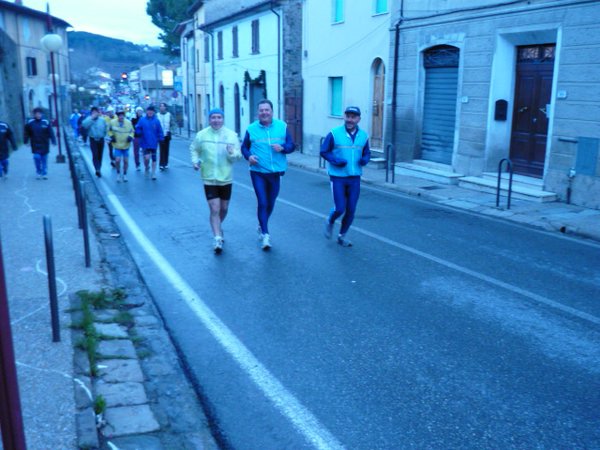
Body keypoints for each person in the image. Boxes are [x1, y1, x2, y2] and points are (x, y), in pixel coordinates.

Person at [241, 99, 295, 250]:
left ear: (272, 111)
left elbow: (292, 146)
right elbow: (244, 147)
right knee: (263, 202)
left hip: (275, 172)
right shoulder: (251, 129)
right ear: (258, 113)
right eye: (261, 110)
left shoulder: (282, 126)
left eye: (267, 110)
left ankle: (261, 224)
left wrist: (283, 148)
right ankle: (265, 235)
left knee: (271, 203)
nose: (264, 112)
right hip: (258, 171)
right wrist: (249, 157)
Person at [190, 108, 241, 254]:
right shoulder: (202, 135)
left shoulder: (231, 135)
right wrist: (195, 161)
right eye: (213, 117)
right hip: (209, 178)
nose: (216, 120)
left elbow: (238, 156)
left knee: (224, 208)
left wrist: (232, 153)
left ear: (223, 119)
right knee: (214, 209)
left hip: (226, 178)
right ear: (209, 119)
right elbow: (194, 149)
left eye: (219, 117)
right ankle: (217, 238)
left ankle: (218, 226)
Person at [320, 106, 371, 247]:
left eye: (353, 117)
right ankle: (330, 220)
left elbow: (367, 152)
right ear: (344, 117)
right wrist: (335, 160)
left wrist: (365, 159)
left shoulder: (364, 136)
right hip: (338, 177)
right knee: (340, 208)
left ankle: (342, 236)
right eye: (348, 116)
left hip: (355, 178)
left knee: (351, 210)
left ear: (358, 119)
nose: (350, 120)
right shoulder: (334, 133)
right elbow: (324, 151)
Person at [23, 107, 56, 180]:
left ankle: (44, 173)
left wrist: (53, 141)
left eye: (39, 114)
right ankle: (38, 171)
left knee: (44, 159)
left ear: (41, 114)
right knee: (36, 157)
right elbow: (26, 133)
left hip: (45, 144)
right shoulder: (30, 123)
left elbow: (51, 132)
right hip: (35, 144)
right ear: (34, 115)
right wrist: (26, 141)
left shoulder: (46, 122)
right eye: (36, 114)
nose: (38, 115)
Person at [135, 105, 164, 180]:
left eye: (152, 111)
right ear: (147, 111)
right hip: (145, 142)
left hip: (154, 143)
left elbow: (160, 131)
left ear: (153, 112)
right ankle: (147, 166)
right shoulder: (142, 120)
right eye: (149, 111)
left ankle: (153, 173)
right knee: (147, 158)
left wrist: (161, 138)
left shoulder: (156, 121)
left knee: (154, 159)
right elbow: (137, 127)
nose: (150, 112)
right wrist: (138, 132)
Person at [108, 107, 134, 182]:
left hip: (126, 145)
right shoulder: (112, 122)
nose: (121, 117)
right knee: (117, 160)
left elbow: (132, 131)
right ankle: (118, 173)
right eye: (119, 115)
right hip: (117, 145)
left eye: (122, 115)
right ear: (117, 116)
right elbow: (109, 131)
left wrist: (130, 136)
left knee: (126, 161)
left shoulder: (128, 123)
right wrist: (111, 136)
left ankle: (125, 174)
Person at [81, 106, 108, 177]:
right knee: (95, 154)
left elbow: (106, 129)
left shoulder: (102, 120)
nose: (95, 113)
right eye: (93, 112)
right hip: (93, 139)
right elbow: (84, 125)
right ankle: (97, 169)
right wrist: (91, 118)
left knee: (100, 155)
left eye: (96, 112)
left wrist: (105, 136)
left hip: (101, 139)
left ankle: (99, 168)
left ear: (98, 113)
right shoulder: (88, 119)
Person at [157, 102, 176, 171]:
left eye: (163, 106)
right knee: (161, 149)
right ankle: (161, 164)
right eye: (161, 106)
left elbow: (173, 124)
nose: (162, 107)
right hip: (160, 135)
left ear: (165, 107)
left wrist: (171, 131)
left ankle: (166, 163)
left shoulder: (169, 115)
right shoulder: (157, 115)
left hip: (167, 134)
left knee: (166, 149)